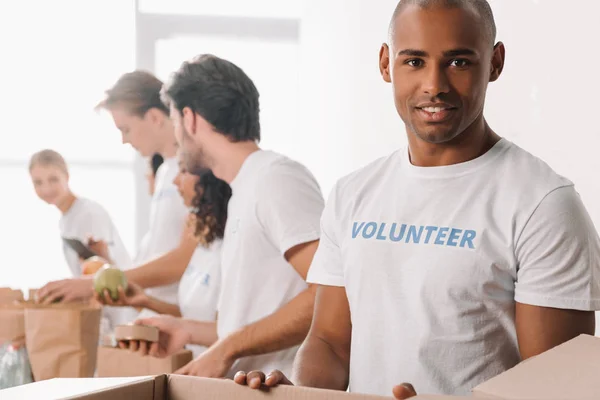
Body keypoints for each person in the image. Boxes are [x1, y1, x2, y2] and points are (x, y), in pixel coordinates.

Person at [234, 0, 600, 398]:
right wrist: (298, 393)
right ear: (385, 63)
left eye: (458, 62)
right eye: (414, 62)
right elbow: (330, 343)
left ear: (495, 63)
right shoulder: (352, 194)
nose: (434, 85)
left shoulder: (543, 204)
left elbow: (557, 387)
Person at [120, 54, 325, 379]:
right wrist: (184, 329)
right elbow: (246, 321)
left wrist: (228, 349)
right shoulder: (242, 189)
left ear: (189, 119)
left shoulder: (276, 178)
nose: (175, 138)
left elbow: (329, 296)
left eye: (174, 121)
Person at [37, 72, 191, 315]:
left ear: (154, 118)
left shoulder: (192, 174)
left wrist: (93, 283)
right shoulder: (164, 173)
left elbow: (185, 259)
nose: (123, 140)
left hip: (183, 322)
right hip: (157, 316)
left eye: (126, 129)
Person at [100, 159, 231, 358]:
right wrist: (146, 301)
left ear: (211, 181)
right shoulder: (204, 244)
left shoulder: (230, 248)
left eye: (184, 171)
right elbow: (193, 317)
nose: (175, 181)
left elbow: (231, 331)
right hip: (194, 363)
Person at [29, 149, 137, 327]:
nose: (46, 188)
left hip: (117, 313)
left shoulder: (87, 214)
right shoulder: (67, 218)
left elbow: (104, 271)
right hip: (102, 311)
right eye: (38, 182)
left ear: (67, 176)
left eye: (53, 179)